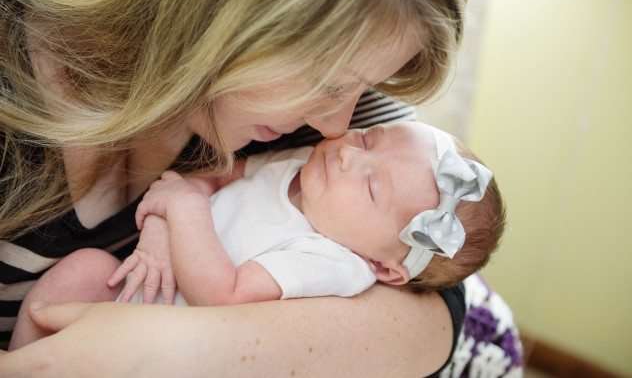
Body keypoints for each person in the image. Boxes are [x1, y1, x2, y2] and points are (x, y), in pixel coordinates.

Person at [0, 0, 518, 377]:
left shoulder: (360, 140)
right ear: (226, 16)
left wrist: (191, 346)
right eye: (331, 83)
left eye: (360, 88)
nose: (340, 128)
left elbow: (437, 301)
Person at [9, 121, 505, 349]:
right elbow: (213, 175)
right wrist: (162, 226)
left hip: (179, 341)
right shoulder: (301, 167)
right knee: (82, 272)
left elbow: (222, 297)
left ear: (383, 267)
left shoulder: (332, 261)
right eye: (370, 138)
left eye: (372, 186)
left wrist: (180, 208)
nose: (350, 154)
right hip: (149, 284)